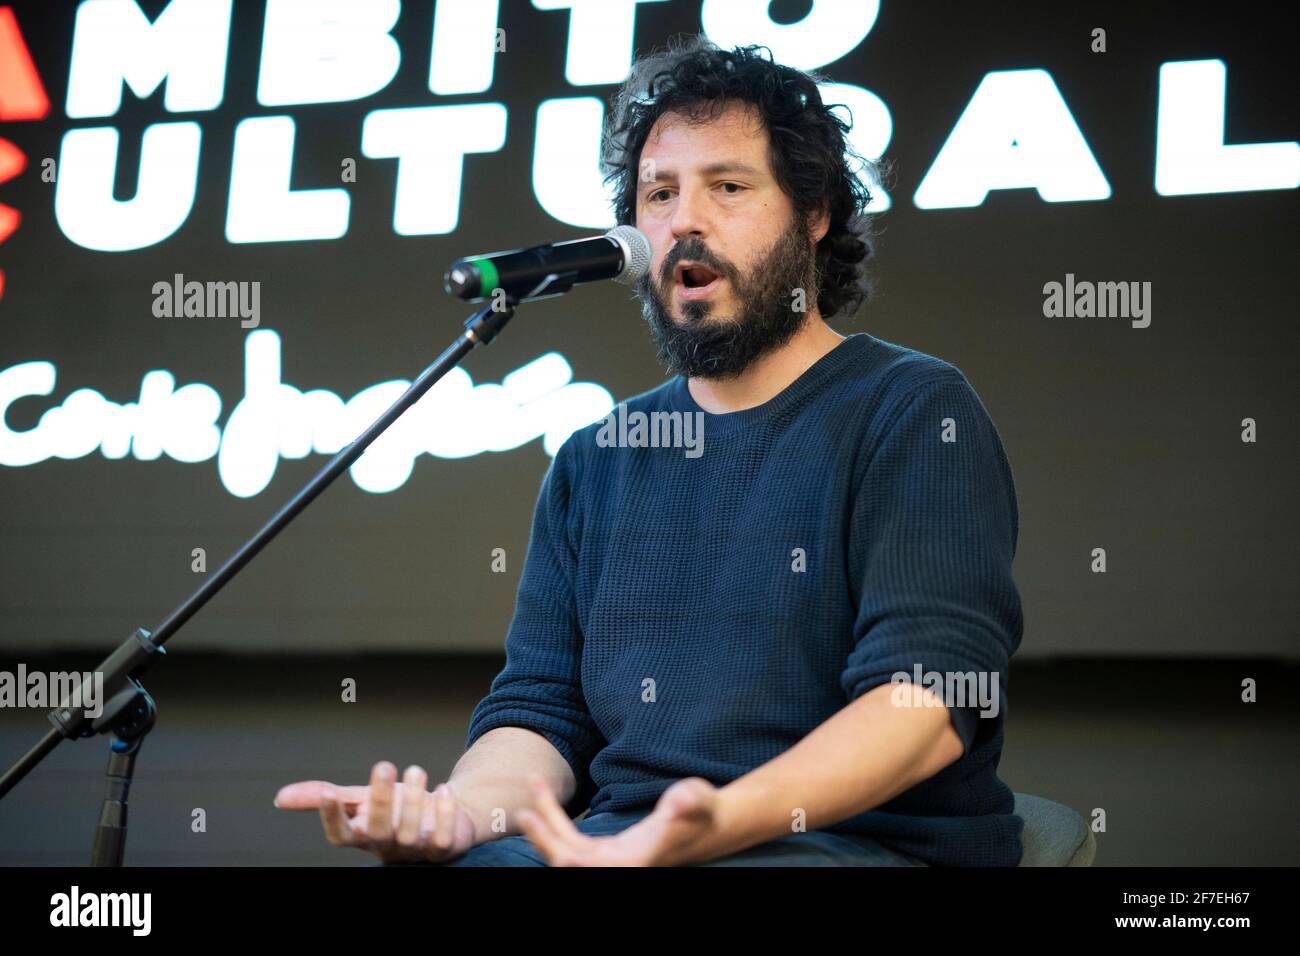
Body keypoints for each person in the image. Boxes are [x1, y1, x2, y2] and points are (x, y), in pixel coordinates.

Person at [275, 35, 1025, 867]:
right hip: (621, 838)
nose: (684, 221)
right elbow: (541, 713)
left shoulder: (912, 409)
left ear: (815, 214)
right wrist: (457, 816)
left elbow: (922, 704)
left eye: (728, 187)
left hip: (845, 845)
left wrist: (706, 826)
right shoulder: (597, 457)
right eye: (658, 194)